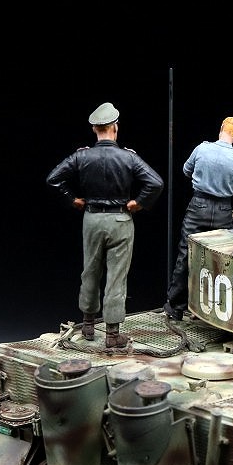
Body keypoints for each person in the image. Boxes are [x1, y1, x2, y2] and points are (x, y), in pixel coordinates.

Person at [46, 102, 164, 349]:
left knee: (90, 270)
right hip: (120, 220)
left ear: (94, 129)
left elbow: (54, 179)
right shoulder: (128, 157)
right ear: (115, 127)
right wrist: (139, 203)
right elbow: (155, 183)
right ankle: (112, 333)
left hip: (92, 219)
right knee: (116, 276)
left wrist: (72, 200)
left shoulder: (82, 156)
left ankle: (88, 325)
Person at [164, 116, 233, 321]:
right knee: (220, 260)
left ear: (221, 129)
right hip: (223, 209)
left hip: (198, 206)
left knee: (186, 254)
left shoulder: (202, 149)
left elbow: (186, 170)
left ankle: (176, 307)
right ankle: (214, 309)